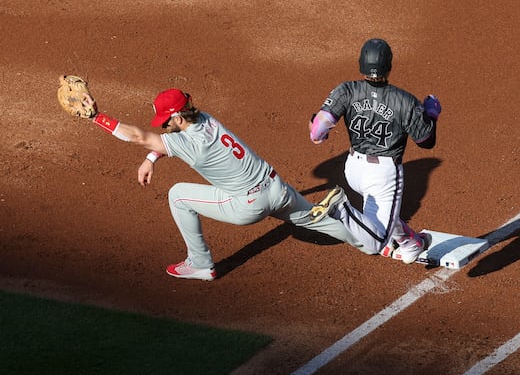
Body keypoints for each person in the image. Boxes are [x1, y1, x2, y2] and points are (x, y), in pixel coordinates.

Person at [84, 89, 365, 280]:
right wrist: (151, 158)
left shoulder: (191, 145)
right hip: (278, 188)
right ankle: (371, 243)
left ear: (178, 118)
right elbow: (164, 142)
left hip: (249, 205)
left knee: (178, 195)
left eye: (166, 120)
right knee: (311, 218)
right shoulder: (204, 118)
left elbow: (138, 136)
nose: (163, 124)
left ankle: (200, 264)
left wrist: (98, 117)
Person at [308, 38, 442, 264]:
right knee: (377, 242)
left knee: (385, 214)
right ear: (389, 66)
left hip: (353, 170)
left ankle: (411, 243)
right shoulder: (405, 101)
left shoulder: (346, 91)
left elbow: (316, 133)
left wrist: (318, 124)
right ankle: (341, 208)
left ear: (360, 63)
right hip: (382, 176)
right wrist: (431, 115)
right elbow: (426, 141)